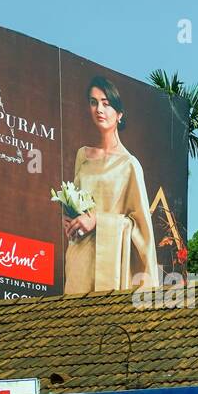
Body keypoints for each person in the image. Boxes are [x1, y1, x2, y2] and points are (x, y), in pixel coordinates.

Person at [62, 77, 159, 293]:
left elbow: (142, 230)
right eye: (93, 102)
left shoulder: (129, 165)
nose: (99, 109)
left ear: (119, 114)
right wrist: (70, 220)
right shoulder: (83, 156)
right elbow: (76, 204)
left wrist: (98, 220)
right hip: (80, 257)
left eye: (106, 104)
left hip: (112, 267)